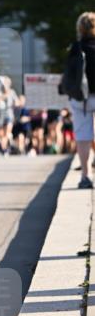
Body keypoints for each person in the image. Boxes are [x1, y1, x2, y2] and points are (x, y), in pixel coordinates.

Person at [62, 11, 95, 188]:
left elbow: (68, 73)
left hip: (81, 97)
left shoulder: (76, 47)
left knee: (83, 136)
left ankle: (86, 176)